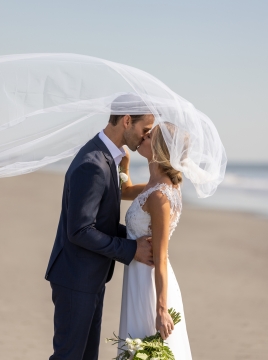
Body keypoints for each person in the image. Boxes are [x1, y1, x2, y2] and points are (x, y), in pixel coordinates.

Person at [45, 107, 155, 360]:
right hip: (76, 278)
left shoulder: (105, 156)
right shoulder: (93, 164)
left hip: (88, 276)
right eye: (145, 129)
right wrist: (131, 249)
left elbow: (100, 222)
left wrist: (134, 238)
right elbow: (81, 230)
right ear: (127, 121)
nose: (146, 136)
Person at [118, 123, 192, 359]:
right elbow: (125, 190)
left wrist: (161, 309)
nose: (143, 137)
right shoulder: (152, 188)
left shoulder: (160, 196)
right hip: (137, 275)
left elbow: (161, 256)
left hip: (149, 283)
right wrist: (124, 164)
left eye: (149, 136)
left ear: (160, 149)